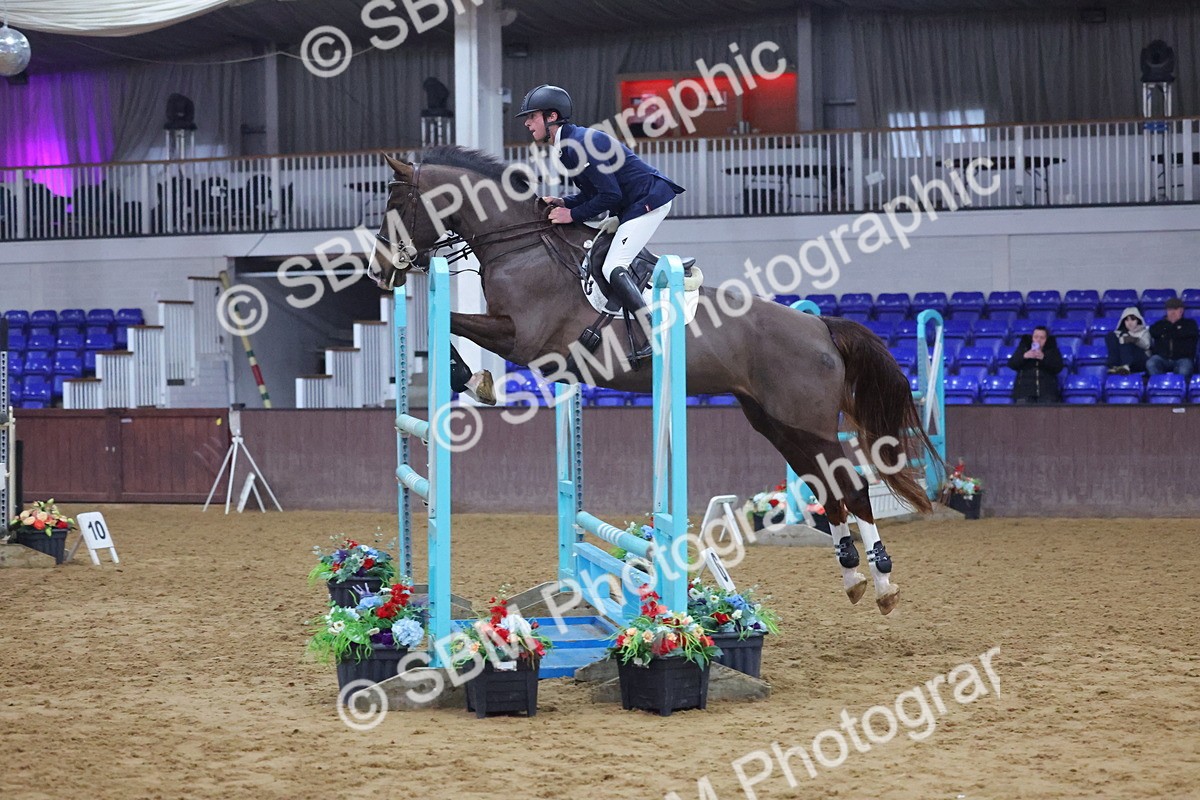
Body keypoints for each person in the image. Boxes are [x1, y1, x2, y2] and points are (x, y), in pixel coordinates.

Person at [516, 84, 684, 361]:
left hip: (647, 200)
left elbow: (609, 195)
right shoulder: (569, 144)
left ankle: (654, 330)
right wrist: (565, 202)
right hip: (629, 203)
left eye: (532, 116)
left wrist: (572, 215)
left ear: (552, 116)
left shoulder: (578, 144)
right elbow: (594, 192)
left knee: (613, 266)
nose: (526, 122)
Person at [1007, 326, 1063, 403]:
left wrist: (1044, 358)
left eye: (1042, 338)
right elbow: (1011, 364)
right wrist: (1024, 356)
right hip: (1025, 392)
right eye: (1036, 337)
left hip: (1047, 393)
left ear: (1046, 339)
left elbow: (1058, 367)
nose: (1038, 340)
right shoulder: (1023, 348)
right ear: (1032, 338)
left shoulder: (1052, 350)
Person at [1146, 298, 1197, 378]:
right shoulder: (1160, 324)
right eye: (1170, 309)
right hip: (1163, 358)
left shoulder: (1189, 324)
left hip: (1183, 358)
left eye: (1175, 309)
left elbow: (1189, 333)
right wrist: (1172, 328)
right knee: (1151, 363)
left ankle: (1179, 388)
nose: (1172, 312)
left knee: (1185, 369)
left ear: (1181, 311)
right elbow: (1153, 332)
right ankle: (1160, 385)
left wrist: (1169, 331)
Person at [1104, 306, 1151, 375]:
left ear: (1138, 320)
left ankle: (1126, 366)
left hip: (1141, 360)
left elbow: (1146, 345)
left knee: (1126, 338)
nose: (1130, 322)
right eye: (1127, 320)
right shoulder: (1121, 333)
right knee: (1111, 335)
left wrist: (1133, 339)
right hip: (1124, 359)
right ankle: (1115, 366)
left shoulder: (1144, 331)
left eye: (1132, 319)